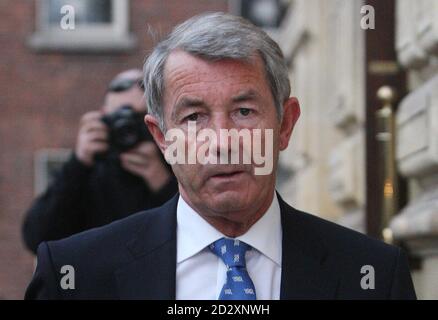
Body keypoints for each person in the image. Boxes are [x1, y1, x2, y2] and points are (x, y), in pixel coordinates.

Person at [25, 13, 416, 299]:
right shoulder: (74, 276)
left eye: (244, 111)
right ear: (162, 137)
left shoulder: (374, 278)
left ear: (285, 125)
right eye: (194, 117)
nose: (222, 140)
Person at [22, 69, 178, 254]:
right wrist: (79, 163)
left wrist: (162, 183)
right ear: (103, 118)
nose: (129, 127)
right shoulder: (88, 172)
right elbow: (37, 237)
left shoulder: (175, 163)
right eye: (121, 116)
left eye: (140, 118)